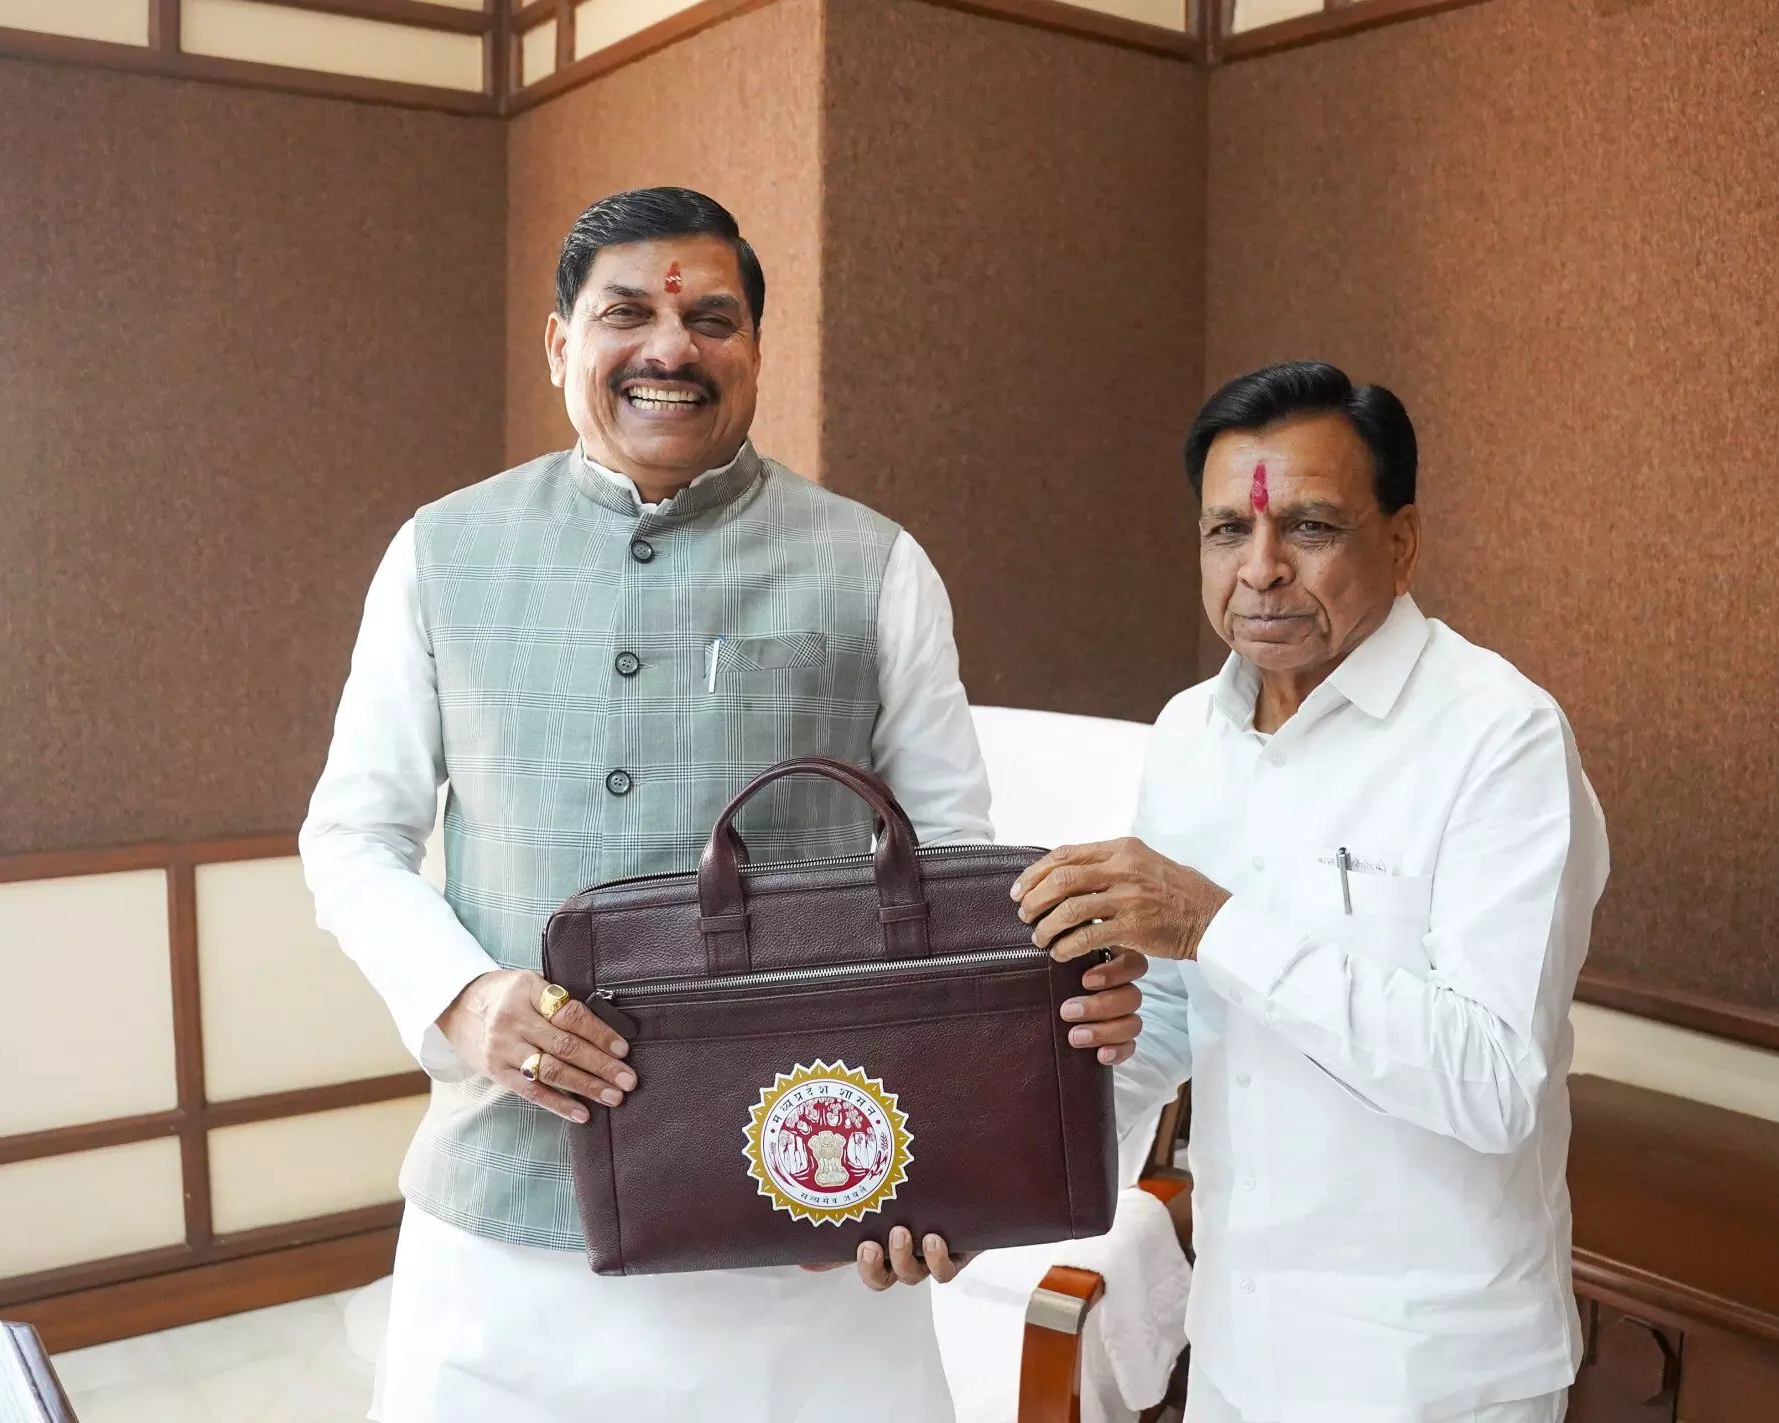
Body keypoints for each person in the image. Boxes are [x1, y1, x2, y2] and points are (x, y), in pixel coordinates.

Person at [299, 187, 1145, 1423]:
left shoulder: (875, 564)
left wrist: (960, 1139)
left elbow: (953, 867)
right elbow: (350, 835)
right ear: (560, 343)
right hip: (507, 1208)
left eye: (711, 318)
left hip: (808, 1215)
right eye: (626, 314)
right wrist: (463, 997)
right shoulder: (440, 553)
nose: (670, 348)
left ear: (753, 346)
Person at [1012, 362, 1609, 1423]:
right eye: (1225, 532)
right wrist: (990, 1170)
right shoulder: (1189, 733)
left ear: (1403, 540)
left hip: (1432, 1374)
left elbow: (1494, 1081)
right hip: (1236, 1346)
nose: (1261, 569)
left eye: (1311, 527)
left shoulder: (1498, 738)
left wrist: (1214, 923)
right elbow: (1169, 1021)